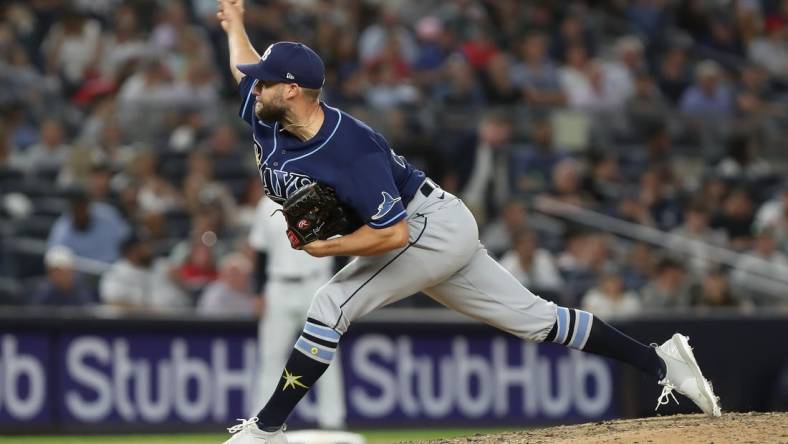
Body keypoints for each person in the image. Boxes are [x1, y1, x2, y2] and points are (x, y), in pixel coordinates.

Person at [216, 2, 720, 442]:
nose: (253, 85)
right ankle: (663, 362)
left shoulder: (352, 149)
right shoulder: (267, 113)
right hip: (438, 229)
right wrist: (235, 24)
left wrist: (329, 249)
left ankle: (265, 431)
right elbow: (244, 73)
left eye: (265, 79)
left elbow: (395, 233)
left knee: (329, 303)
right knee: (537, 319)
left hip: (425, 226)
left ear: (294, 89)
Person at [248, 195, 345, 430]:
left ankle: (332, 421)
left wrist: (340, 286)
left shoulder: (322, 196)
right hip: (278, 285)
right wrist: (259, 290)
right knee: (271, 356)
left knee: (326, 354)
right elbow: (260, 252)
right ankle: (260, 423)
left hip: (317, 283)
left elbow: (341, 246)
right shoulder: (266, 204)